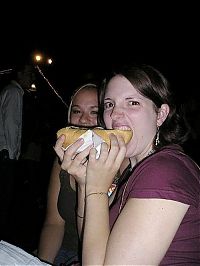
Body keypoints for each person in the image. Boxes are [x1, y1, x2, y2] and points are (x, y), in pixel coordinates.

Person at [55, 63, 200, 265]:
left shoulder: (164, 172)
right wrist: (84, 183)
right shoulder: (134, 171)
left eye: (132, 103)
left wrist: (97, 189)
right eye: (109, 104)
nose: (114, 115)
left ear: (160, 114)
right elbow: (88, 239)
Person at [38, 83, 99, 265]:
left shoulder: (120, 161)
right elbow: (53, 224)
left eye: (94, 112)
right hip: (64, 253)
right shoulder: (61, 161)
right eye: (77, 111)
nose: (83, 120)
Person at [0, 64, 36, 239]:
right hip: (5, 154)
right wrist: (14, 155)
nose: (32, 78)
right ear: (19, 74)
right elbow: (11, 125)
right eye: (29, 73)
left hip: (5, 152)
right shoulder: (14, 93)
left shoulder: (12, 91)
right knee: (4, 197)